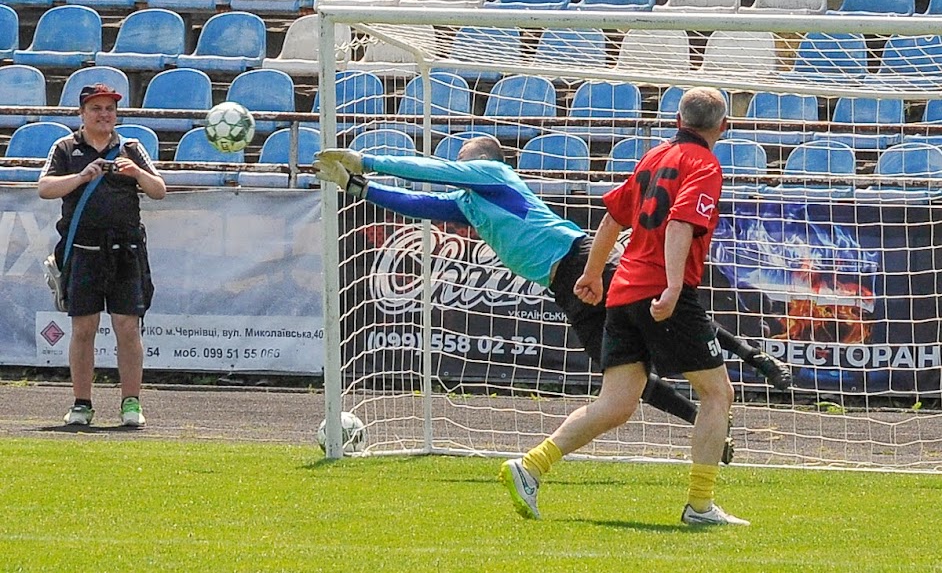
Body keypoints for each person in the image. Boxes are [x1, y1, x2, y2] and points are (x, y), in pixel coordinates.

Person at [314, 130, 790, 460]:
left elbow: (434, 173)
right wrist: (360, 187)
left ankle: (756, 359)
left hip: (580, 259)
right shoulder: (469, 203)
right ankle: (706, 423)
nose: (461, 173)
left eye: (466, 166)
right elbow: (416, 202)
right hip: (566, 284)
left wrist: (369, 160)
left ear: (484, 164)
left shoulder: (495, 180)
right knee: (623, 373)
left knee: (662, 310)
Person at [500, 87, 749, 526]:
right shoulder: (705, 164)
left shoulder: (654, 156)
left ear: (677, 120)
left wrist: (593, 273)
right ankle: (700, 505)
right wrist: (673, 288)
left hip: (623, 289)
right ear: (722, 128)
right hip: (659, 290)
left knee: (616, 404)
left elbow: (614, 217)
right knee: (717, 394)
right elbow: (679, 226)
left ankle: (530, 466)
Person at [38, 83, 166, 427]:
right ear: (83, 113)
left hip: (125, 250)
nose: (104, 115)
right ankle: (82, 403)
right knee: (83, 328)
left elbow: (159, 190)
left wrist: (136, 173)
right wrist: (81, 177)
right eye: (97, 109)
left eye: (110, 109)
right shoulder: (65, 147)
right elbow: (45, 188)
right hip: (83, 249)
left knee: (128, 327)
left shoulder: (131, 147)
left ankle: (131, 404)